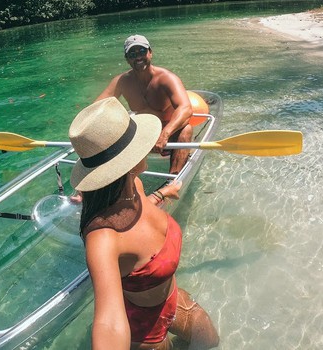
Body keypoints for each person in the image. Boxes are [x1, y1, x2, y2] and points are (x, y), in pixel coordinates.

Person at [69, 97, 220, 350]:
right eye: (138, 143)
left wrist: (161, 194)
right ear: (121, 164)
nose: (148, 144)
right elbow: (109, 323)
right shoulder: (102, 239)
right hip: (142, 329)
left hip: (172, 299)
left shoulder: (134, 186)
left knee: (211, 342)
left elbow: (137, 216)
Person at [96, 35, 193, 175]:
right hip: (144, 131)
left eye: (142, 51)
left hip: (169, 131)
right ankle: (106, 182)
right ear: (127, 59)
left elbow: (185, 108)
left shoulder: (166, 78)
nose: (138, 57)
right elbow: (97, 107)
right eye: (132, 54)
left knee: (186, 129)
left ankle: (172, 180)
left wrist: (165, 134)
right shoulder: (122, 81)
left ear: (150, 52)